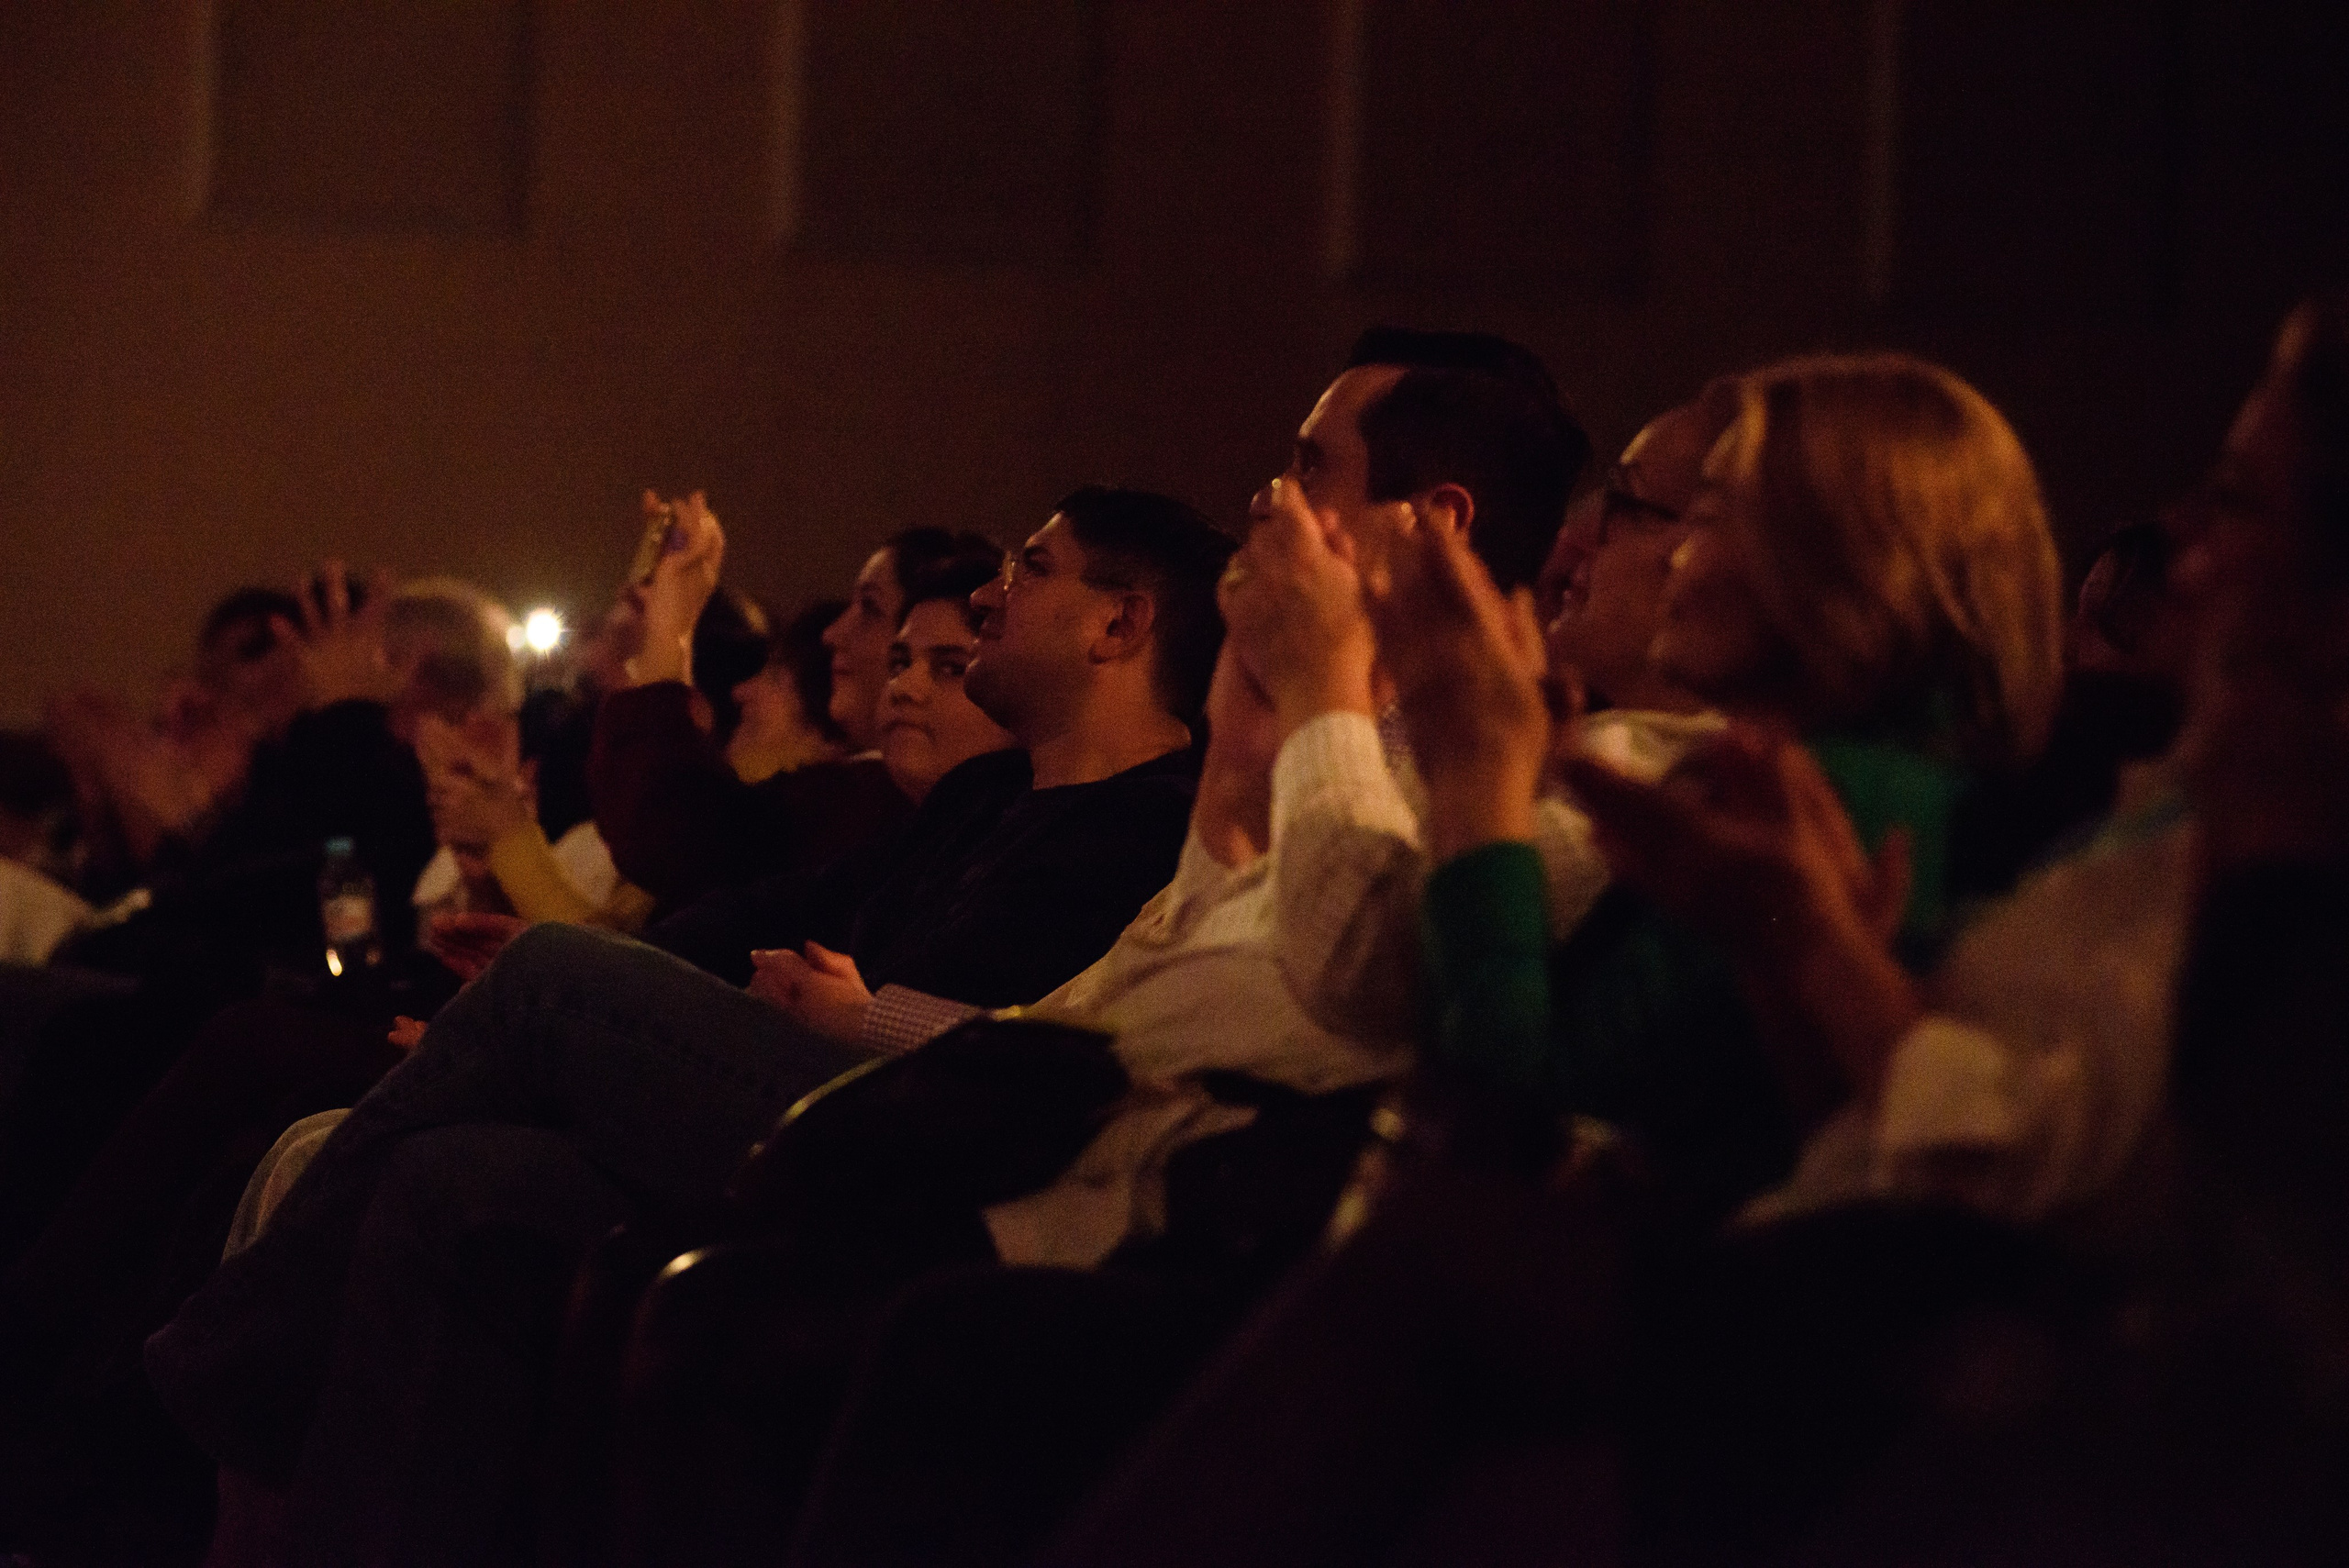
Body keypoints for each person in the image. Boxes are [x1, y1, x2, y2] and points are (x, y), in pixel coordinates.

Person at [143, 487, 1231, 1563]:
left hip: (915, 1150)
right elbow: (755, 918)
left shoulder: (1154, 823)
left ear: (1120, 622)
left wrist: (843, 1012)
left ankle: (193, 1380)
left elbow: (1047, 1057)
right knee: (454, 1176)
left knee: (532, 975)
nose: (996, 594)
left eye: (1033, 569)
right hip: (810, 1097)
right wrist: (561, 1013)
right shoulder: (983, 800)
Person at [587, 495, 1000, 912]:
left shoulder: (876, 821)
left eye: (949, 666)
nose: (833, 634)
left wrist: (670, 631)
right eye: (901, 659)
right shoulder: (893, 824)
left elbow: (682, 839)